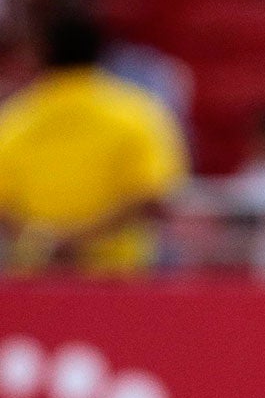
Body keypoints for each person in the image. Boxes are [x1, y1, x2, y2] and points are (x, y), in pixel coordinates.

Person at [0, 14, 187, 274]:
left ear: (42, 54)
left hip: (37, 276)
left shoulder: (14, 118)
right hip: (118, 278)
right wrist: (83, 240)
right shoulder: (138, 113)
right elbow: (152, 196)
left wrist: (46, 242)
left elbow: (4, 205)